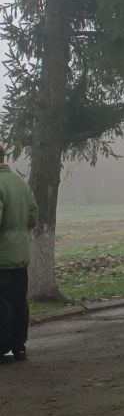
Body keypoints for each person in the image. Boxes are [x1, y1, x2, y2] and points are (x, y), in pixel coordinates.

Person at [0, 143, 37, 363]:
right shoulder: (20, 183)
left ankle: (2, 349)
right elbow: (33, 215)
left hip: (2, 256)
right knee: (19, 301)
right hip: (21, 254)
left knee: (2, 303)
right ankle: (19, 347)